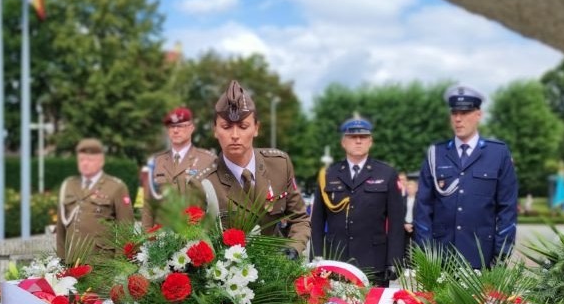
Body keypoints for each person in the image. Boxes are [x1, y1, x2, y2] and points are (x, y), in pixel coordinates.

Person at [188, 80, 310, 258]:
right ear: (215, 130)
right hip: (231, 278)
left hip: (279, 270)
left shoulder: (279, 164)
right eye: (226, 127)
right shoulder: (202, 184)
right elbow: (193, 239)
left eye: (243, 126)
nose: (235, 135)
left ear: (256, 128)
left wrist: (294, 248)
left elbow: (299, 218)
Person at [413, 85, 518, 269]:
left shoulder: (498, 153)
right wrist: (426, 254)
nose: (458, 119)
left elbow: (507, 209)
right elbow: (423, 208)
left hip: (482, 257)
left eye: (465, 112)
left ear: (478, 115)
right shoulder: (436, 153)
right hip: (440, 258)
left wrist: (500, 256)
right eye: (454, 113)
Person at [311, 116, 405, 286]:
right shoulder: (328, 175)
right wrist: (316, 258)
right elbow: (317, 221)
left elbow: (396, 223)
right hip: (336, 263)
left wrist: (394, 260)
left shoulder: (387, 174)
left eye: (363, 137)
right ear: (343, 142)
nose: (358, 141)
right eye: (353, 137)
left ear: (371, 141)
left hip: (374, 262)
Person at [56, 138, 134, 262]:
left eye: (90, 160)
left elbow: (126, 228)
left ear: (101, 161)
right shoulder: (69, 185)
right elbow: (61, 228)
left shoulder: (116, 187)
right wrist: (61, 260)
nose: (85, 163)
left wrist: (120, 264)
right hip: (72, 262)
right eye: (81, 159)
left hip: (101, 263)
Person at [142, 106, 216, 229]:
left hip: (194, 236)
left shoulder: (208, 160)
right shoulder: (156, 162)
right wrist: (145, 240)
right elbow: (148, 205)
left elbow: (214, 205)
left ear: (192, 128)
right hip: (162, 239)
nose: (175, 131)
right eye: (171, 126)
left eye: (180, 126)